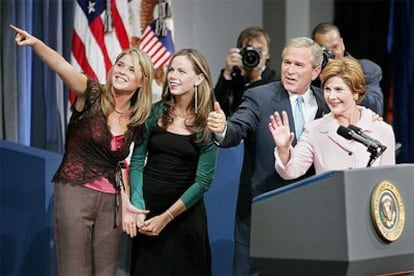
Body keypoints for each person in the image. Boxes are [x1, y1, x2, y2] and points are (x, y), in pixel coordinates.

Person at [10, 24, 152, 276]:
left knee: (106, 272)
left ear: (141, 81)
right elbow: (62, 66)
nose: (122, 71)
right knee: (75, 269)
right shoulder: (92, 93)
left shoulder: (137, 120)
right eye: (120, 64)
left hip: (112, 203)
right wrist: (35, 43)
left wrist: (127, 201)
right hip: (75, 193)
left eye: (131, 69)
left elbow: (120, 165)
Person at [207, 37, 330, 275]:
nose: (290, 70)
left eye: (298, 65)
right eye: (287, 62)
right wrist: (222, 129)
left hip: (311, 215)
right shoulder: (259, 97)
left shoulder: (326, 102)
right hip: (263, 211)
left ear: (316, 71)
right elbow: (237, 128)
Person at [126, 48, 218, 275]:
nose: (173, 76)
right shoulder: (155, 111)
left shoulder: (210, 121)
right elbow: (137, 160)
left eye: (181, 71)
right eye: (172, 70)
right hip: (148, 215)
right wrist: (137, 204)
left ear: (199, 78)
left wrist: (166, 218)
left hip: (183, 217)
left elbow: (203, 181)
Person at [269, 57, 395, 178]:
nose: (331, 96)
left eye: (339, 89)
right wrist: (283, 149)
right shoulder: (314, 130)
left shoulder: (382, 130)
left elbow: (390, 181)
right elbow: (291, 171)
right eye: (327, 89)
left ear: (356, 93)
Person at [312, 22, 384, 116]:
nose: (332, 54)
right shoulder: (311, 73)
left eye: (335, 47)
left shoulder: (366, 69)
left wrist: (346, 81)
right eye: (325, 51)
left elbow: (375, 107)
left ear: (342, 44)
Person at [214, 26, 278, 116]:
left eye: (260, 50)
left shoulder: (275, 81)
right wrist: (227, 73)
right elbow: (214, 106)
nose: (253, 55)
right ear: (240, 52)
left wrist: (255, 79)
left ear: (268, 55)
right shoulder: (234, 77)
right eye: (249, 49)